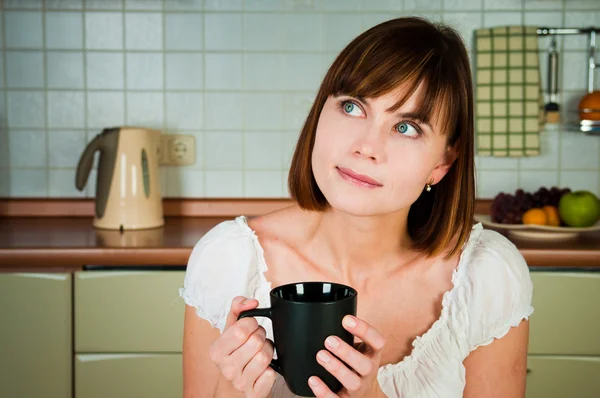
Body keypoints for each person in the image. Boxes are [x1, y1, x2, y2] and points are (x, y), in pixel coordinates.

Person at [179, 16, 534, 398]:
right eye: (351, 107)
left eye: (406, 127)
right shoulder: (228, 260)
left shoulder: (488, 276)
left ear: (443, 162)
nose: (366, 146)